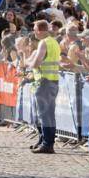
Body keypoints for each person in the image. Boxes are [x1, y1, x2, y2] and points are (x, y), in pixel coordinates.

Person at [27, 19, 61, 154]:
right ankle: (44, 141)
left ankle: (47, 144)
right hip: (53, 81)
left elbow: (36, 62)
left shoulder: (43, 42)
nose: (34, 31)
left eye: (35, 29)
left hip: (44, 82)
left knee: (43, 115)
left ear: (40, 30)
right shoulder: (54, 42)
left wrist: (31, 64)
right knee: (49, 114)